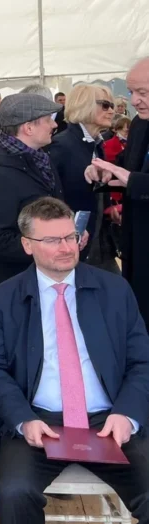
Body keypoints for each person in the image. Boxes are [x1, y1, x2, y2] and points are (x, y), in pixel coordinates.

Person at [0, 197, 149, 524]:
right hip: (39, 421)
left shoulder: (115, 289)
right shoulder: (4, 298)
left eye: (71, 236)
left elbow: (141, 361)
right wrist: (23, 419)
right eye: (52, 240)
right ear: (27, 245)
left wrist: (127, 414)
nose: (67, 247)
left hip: (110, 419)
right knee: (14, 493)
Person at [0, 93, 68, 288]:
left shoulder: (42, 160)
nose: (54, 124)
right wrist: (49, 245)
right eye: (48, 119)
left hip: (48, 280)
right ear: (28, 127)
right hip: (18, 287)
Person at [87, 57, 149, 324]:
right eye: (132, 92)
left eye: (142, 92)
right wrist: (104, 172)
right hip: (137, 244)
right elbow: (127, 166)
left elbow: (133, 178)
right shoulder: (140, 125)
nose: (134, 101)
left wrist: (131, 180)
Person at [49, 83, 117, 271]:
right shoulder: (61, 146)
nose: (111, 111)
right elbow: (51, 195)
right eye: (105, 105)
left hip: (100, 243)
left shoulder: (96, 144)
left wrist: (109, 207)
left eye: (112, 105)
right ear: (84, 105)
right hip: (75, 246)